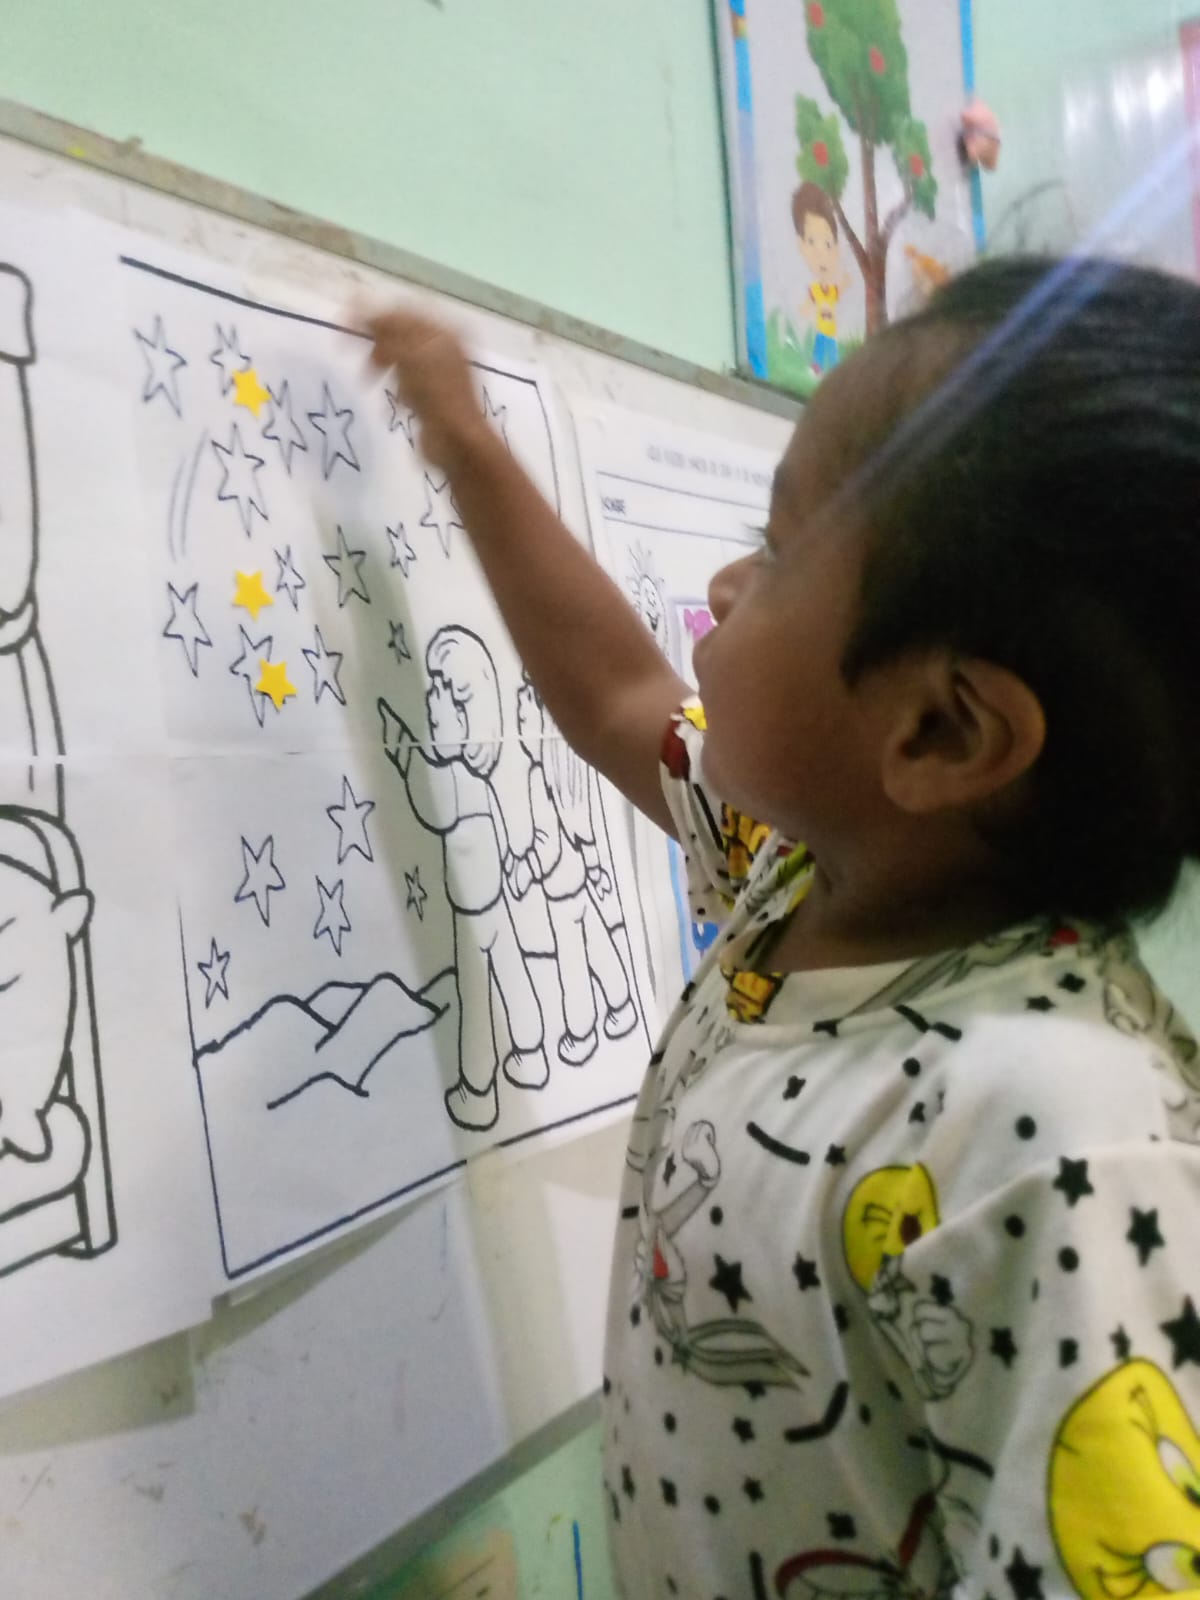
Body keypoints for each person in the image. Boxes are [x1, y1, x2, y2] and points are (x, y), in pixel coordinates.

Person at [364, 256, 1200, 1600]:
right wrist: (464, 442)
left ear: (940, 732)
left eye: (782, 546)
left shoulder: (1056, 1133)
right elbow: (616, 691)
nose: (727, 579)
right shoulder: (799, 879)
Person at [379, 626, 549, 1132]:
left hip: (475, 913)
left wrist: (403, 748)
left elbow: (427, 797)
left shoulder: (457, 778)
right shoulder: (476, 780)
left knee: (477, 1001)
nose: (430, 699)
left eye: (441, 691)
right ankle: (532, 1052)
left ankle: (478, 1093)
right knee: (513, 976)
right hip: (489, 905)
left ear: (466, 712)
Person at [508, 672, 638, 1065]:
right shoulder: (562, 768)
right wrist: (594, 866)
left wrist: (524, 871)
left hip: (559, 885)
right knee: (596, 943)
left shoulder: (539, 777)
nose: (518, 718)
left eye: (523, 711)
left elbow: (546, 844)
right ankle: (621, 1004)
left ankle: (581, 1032)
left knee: (572, 961)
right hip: (575, 877)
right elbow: (577, 827)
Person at [792, 181, 849, 375]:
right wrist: (804, 309)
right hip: (822, 329)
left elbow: (839, 290)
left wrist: (846, 282)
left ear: (837, 247)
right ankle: (816, 366)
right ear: (801, 245)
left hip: (831, 330)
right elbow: (808, 303)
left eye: (828, 243)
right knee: (819, 348)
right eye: (811, 241)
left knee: (832, 352)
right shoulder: (815, 290)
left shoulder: (831, 290)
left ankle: (834, 370)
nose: (821, 253)